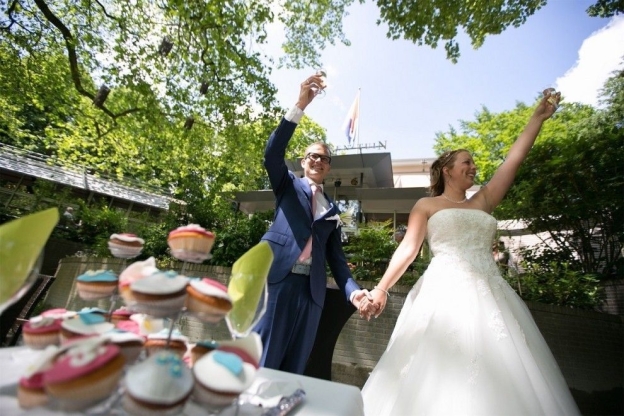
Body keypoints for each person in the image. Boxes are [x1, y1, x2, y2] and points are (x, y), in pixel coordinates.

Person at [359, 89, 581, 415]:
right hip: (442, 292)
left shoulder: (485, 200)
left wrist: (537, 119)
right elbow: (408, 249)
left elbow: (514, 159)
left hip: (492, 294)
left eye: (474, 163)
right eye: (467, 162)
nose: (474, 167)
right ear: (447, 169)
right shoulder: (426, 205)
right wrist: (381, 288)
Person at [253, 74, 373, 374]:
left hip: (312, 292)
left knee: (295, 364)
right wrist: (300, 105)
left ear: (329, 166)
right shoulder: (287, 185)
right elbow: (271, 154)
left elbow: (338, 261)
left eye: (324, 158)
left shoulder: (333, 210)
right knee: (264, 356)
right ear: (303, 161)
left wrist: (354, 292)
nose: (318, 161)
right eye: (312, 156)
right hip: (278, 281)